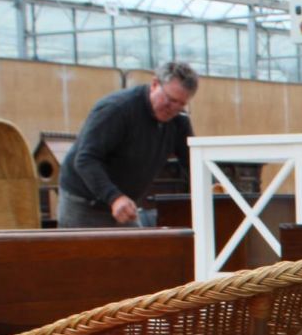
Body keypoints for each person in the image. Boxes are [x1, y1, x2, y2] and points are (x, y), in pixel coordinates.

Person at [58, 60, 198, 228]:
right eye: (169, 99)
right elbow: (86, 159)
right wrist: (114, 197)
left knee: (135, 252)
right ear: (155, 84)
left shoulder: (178, 120)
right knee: (83, 254)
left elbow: (192, 161)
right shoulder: (117, 109)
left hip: (125, 205)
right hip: (84, 204)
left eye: (181, 104)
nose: (173, 109)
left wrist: (214, 186)